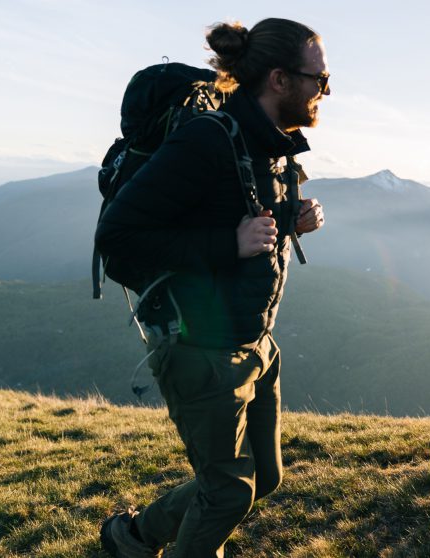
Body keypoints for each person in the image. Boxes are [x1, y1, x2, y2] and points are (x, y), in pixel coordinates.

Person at [96, 18, 329, 558]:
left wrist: (288, 216)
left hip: (255, 342)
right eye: (318, 78)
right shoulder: (207, 139)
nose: (324, 90)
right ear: (278, 79)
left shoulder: (265, 143)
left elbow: (235, 210)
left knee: (262, 479)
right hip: (202, 349)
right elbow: (120, 238)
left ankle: (135, 535)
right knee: (227, 494)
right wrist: (230, 243)